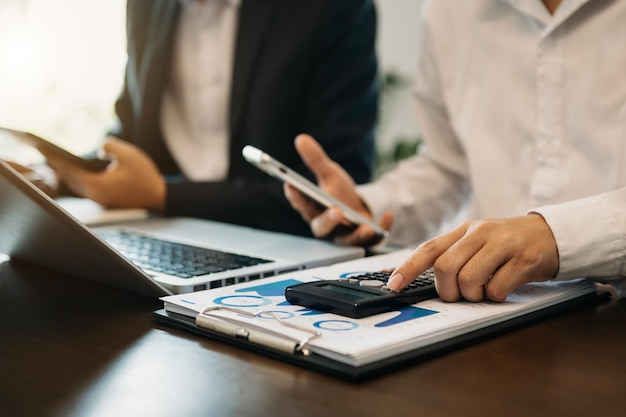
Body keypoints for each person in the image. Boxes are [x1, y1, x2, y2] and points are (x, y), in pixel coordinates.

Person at [284, 0, 626, 302]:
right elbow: (449, 167)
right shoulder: (450, 8)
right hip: (488, 306)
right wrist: (366, 209)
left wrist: (554, 236)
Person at [26, 0, 378, 237]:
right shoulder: (147, 7)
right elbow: (130, 140)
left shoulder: (334, 10)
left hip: (277, 249)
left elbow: (341, 192)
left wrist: (164, 194)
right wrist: (55, 176)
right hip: (160, 236)